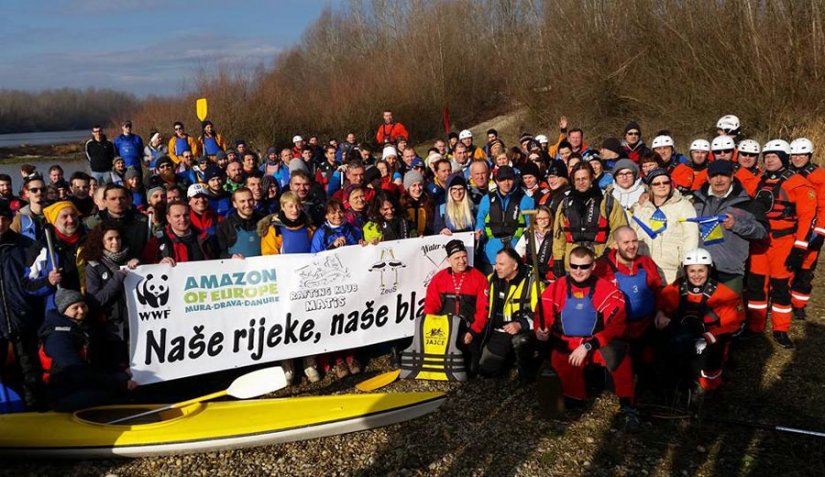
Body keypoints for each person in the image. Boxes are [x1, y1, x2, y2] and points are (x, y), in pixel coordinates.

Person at [534, 246, 637, 430]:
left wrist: (590, 346)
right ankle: (574, 395)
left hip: (595, 343)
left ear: (593, 265)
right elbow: (544, 311)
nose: (578, 271)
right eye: (574, 266)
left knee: (620, 355)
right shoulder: (556, 287)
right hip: (566, 344)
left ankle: (628, 405)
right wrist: (541, 329)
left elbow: (616, 323)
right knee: (564, 397)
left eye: (584, 266)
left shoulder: (606, 289)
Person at [745, 140, 816, 348]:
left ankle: (781, 329)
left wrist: (799, 247)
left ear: (784, 159)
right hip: (759, 242)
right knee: (756, 285)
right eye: (766, 156)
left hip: (784, 242)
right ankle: (755, 326)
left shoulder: (798, 183)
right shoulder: (757, 181)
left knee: (781, 287)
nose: (769, 159)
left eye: (774, 156)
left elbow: (807, 217)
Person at [655, 249, 744, 401]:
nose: (696, 275)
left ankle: (708, 388)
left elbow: (735, 324)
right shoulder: (674, 289)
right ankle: (674, 384)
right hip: (682, 337)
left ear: (708, 270)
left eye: (701, 270)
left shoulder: (725, 294)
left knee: (710, 355)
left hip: (711, 338)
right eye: (692, 271)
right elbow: (661, 305)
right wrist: (660, 314)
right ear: (685, 271)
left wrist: (708, 337)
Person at [38, 288, 137, 411]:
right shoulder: (58, 338)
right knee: (111, 394)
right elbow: (78, 372)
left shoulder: (80, 328)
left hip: (80, 384)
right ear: (63, 310)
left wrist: (122, 373)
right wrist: (117, 381)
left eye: (83, 306)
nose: (81, 311)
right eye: (75, 308)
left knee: (126, 383)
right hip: (63, 393)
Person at [259, 192, 316, 383]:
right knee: (286, 323)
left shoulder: (308, 227)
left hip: (306, 282)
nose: (294, 210)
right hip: (284, 284)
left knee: (308, 320)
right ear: (282, 207)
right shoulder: (273, 230)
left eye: (297, 205)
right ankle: (288, 363)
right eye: (290, 206)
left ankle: (309, 361)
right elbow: (268, 256)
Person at [594, 226, 663, 381]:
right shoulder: (602, 267)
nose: (631, 246)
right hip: (617, 331)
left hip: (646, 326)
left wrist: (660, 311)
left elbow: (658, 290)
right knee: (617, 372)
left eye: (634, 241)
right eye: (626, 242)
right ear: (615, 244)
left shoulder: (646, 263)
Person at [691, 160, 768, 293]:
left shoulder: (747, 203)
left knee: (729, 312)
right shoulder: (695, 200)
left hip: (730, 271)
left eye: (724, 175)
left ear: (732, 177)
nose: (719, 180)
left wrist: (737, 225)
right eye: (715, 176)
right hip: (699, 270)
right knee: (701, 312)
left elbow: (762, 232)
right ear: (708, 178)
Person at [423, 239, 489, 376]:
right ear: (449, 260)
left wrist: (472, 332)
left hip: (469, 330)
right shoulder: (439, 278)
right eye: (457, 258)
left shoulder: (479, 278)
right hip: (444, 330)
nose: (462, 261)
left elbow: (484, 310)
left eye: (464, 256)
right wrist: (432, 329)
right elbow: (430, 306)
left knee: (471, 372)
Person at [0, 203, 43, 409]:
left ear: (10, 220)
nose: (0, 223)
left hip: (22, 319)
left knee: (30, 373)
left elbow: (34, 281)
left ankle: (35, 413)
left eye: (4, 218)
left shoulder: (25, 245)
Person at [82, 224, 140, 372]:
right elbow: (97, 300)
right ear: (101, 242)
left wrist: (140, 268)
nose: (115, 242)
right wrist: (118, 277)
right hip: (112, 328)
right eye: (110, 239)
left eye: (118, 238)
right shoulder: (93, 266)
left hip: (135, 322)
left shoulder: (132, 259)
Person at [552, 163, 626, 274]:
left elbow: (620, 230)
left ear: (592, 178)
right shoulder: (565, 203)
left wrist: (608, 252)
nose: (581, 182)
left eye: (584, 179)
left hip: (599, 260)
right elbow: (559, 234)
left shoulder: (607, 202)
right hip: (573, 263)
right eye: (577, 179)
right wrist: (558, 258)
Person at [630, 168, 698, 284]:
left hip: (672, 269)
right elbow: (632, 234)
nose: (661, 186)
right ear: (650, 187)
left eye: (665, 182)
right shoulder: (641, 207)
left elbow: (691, 237)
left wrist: (687, 264)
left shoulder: (683, 206)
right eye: (656, 183)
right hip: (644, 267)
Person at [481, 248, 539, 381]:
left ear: (514, 266)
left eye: (502, 264)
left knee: (521, 342)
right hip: (496, 331)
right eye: (496, 264)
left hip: (520, 331)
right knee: (485, 370)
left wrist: (520, 324)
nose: (497, 268)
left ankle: (527, 375)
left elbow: (541, 312)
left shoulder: (533, 282)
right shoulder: (491, 280)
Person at [788, 138, 824, 320]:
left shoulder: (819, 177)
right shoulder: (786, 174)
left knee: (806, 267)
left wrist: (820, 231)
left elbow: (823, 206)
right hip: (791, 227)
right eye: (794, 154)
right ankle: (782, 298)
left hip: (811, 229)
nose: (797, 158)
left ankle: (799, 303)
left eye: (801, 154)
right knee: (787, 264)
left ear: (809, 155)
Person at [476, 166, 535, 273]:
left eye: (510, 179)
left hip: (515, 252)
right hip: (492, 254)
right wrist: (479, 231)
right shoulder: (487, 199)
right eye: (502, 180)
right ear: (497, 181)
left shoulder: (526, 200)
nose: (506, 183)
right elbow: (480, 220)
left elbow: (531, 227)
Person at [84, 184, 150, 260]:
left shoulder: (142, 221)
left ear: (128, 200)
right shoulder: (94, 223)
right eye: (113, 199)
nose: (118, 202)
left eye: (122, 198)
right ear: (105, 201)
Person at [142, 201, 218, 266]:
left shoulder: (204, 237)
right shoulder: (157, 241)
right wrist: (159, 265)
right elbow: (145, 266)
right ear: (168, 218)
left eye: (186, 215)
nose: (182, 219)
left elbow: (218, 261)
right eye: (177, 216)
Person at [216, 188, 263, 259]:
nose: (247, 204)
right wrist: (230, 257)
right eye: (242, 201)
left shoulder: (263, 221)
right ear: (235, 204)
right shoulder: (225, 225)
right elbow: (219, 252)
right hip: (238, 268)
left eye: (250, 200)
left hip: (263, 267)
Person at [515, 205, 555, 283]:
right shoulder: (528, 235)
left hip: (549, 275)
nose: (543, 221)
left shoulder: (554, 235)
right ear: (535, 219)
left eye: (546, 218)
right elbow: (518, 253)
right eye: (540, 218)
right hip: (532, 275)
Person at [11, 175, 48, 241]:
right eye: (34, 190)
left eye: (43, 189)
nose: (39, 192)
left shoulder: (54, 213)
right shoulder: (19, 219)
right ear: (26, 193)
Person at [400, 170, 433, 237]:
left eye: (420, 185)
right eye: (414, 185)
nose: (417, 188)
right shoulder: (402, 205)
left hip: (427, 241)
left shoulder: (429, 202)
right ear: (408, 188)